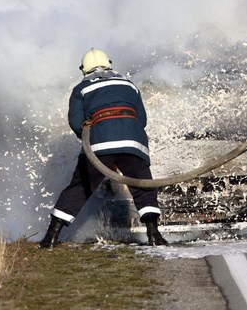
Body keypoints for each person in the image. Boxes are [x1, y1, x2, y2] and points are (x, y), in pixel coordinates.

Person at [39, 48, 168, 248]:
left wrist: (91, 135)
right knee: (143, 186)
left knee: (80, 187)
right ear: (109, 64)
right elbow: (141, 119)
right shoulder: (129, 85)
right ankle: (154, 235)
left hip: (99, 144)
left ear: (84, 70)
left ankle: (50, 238)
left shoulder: (81, 89)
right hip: (133, 143)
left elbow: (76, 122)